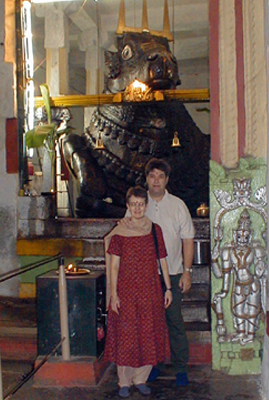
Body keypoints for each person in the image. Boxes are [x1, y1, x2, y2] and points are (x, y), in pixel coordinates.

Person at [123, 158, 194, 387]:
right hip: (144, 277)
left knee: (174, 322)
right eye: (152, 176)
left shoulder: (177, 205)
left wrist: (187, 272)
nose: (156, 180)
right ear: (146, 179)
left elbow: (187, 240)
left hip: (171, 274)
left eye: (160, 176)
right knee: (150, 324)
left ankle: (181, 368)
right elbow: (125, 233)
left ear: (167, 180)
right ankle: (154, 366)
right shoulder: (138, 204)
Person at [104, 186, 173, 398]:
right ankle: (123, 381)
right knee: (126, 336)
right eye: (133, 204)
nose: (137, 208)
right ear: (127, 206)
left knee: (147, 334)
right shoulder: (120, 232)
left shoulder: (155, 230)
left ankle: (141, 378)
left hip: (149, 291)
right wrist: (114, 294)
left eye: (141, 204)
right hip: (126, 292)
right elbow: (114, 266)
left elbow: (162, 260)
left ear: (146, 205)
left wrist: (168, 288)